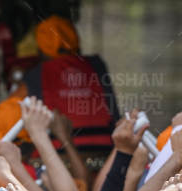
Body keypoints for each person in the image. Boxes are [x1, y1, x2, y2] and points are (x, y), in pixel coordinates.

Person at [16, 15, 118, 154]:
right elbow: (114, 115)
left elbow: (14, 115)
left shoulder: (34, 75)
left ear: (40, 49)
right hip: (107, 152)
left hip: (60, 157)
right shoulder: (97, 66)